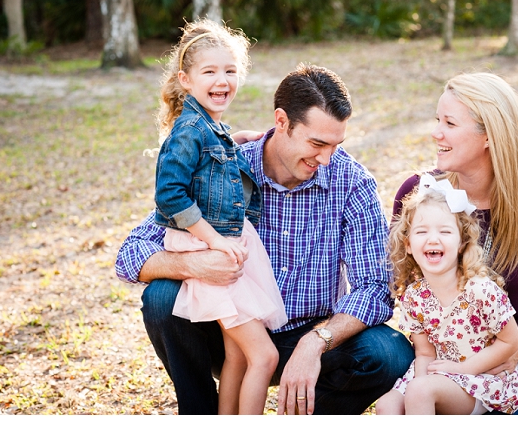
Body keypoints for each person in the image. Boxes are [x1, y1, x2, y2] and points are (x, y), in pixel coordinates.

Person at [115, 61, 415, 415]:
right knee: (163, 297)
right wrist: (195, 264)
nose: (327, 158)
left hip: (310, 330)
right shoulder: (224, 166)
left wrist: (316, 342)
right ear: (281, 121)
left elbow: (375, 287)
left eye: (335, 145)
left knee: (389, 352)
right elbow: (130, 254)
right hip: (231, 336)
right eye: (317, 143)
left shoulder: (352, 182)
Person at [389, 72, 518, 415]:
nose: (435, 132)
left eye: (450, 123)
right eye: (437, 119)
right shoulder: (420, 195)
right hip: (447, 363)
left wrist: (516, 348)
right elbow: (406, 280)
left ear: (489, 136)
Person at [150, 19, 287, 415]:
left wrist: (236, 140)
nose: (222, 80)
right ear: (186, 80)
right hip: (208, 246)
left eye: (230, 71)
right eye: (209, 72)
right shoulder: (189, 129)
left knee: (239, 358)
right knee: (263, 356)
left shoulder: (211, 126)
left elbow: (213, 167)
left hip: (227, 242)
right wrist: (215, 242)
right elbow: (169, 195)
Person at [376, 174, 518, 415]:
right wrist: (421, 382)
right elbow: (425, 352)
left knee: (421, 392)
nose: (433, 239)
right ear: (407, 244)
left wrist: (464, 369)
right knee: (387, 404)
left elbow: (512, 341)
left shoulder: (480, 290)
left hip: (482, 376)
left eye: (445, 232)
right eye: (422, 232)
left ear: (461, 243)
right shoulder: (414, 297)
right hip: (440, 371)